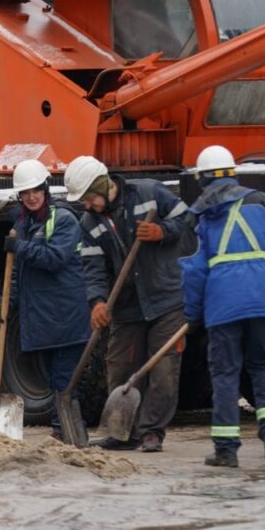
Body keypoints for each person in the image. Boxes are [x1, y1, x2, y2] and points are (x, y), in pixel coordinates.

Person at [180, 145, 265, 468]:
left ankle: (226, 450)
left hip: (223, 306)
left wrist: (192, 315)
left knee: (224, 373)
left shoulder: (203, 217)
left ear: (202, 179)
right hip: (264, 299)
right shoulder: (263, 203)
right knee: (263, 365)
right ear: (232, 172)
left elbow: (193, 272)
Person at [64, 155, 191, 453]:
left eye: (88, 198)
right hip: (126, 305)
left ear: (101, 185)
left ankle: (151, 433)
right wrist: (97, 302)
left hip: (165, 298)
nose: (86, 205)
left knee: (163, 371)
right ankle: (122, 432)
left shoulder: (149, 194)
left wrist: (163, 232)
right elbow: (93, 267)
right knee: (120, 368)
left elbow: (186, 219)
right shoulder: (89, 222)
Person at [6, 160, 91, 440]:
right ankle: (65, 430)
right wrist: (10, 301)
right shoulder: (22, 222)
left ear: (45, 189)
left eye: (35, 190)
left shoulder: (63, 218)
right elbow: (20, 270)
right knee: (51, 375)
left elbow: (55, 258)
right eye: (25, 193)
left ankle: (67, 432)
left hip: (65, 311)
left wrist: (21, 247)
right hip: (42, 315)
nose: (31, 197)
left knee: (65, 377)